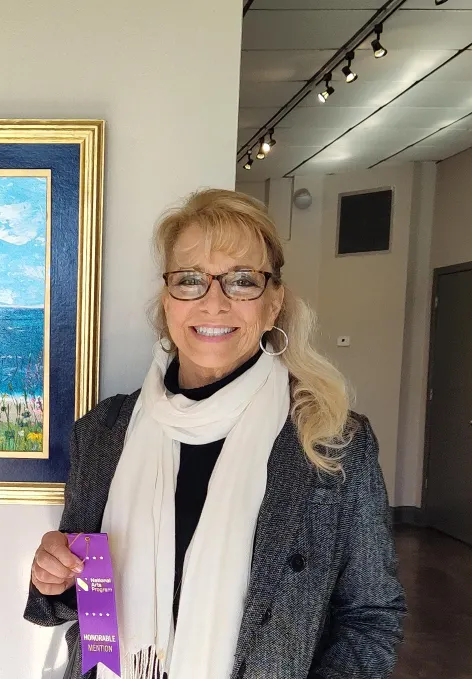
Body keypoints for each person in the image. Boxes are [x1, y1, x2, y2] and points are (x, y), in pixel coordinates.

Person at [24, 190, 404, 679]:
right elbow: (76, 592)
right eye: (190, 280)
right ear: (168, 303)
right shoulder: (103, 432)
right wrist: (51, 578)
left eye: (242, 281)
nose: (214, 302)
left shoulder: (329, 440)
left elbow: (372, 616)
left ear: (273, 305)